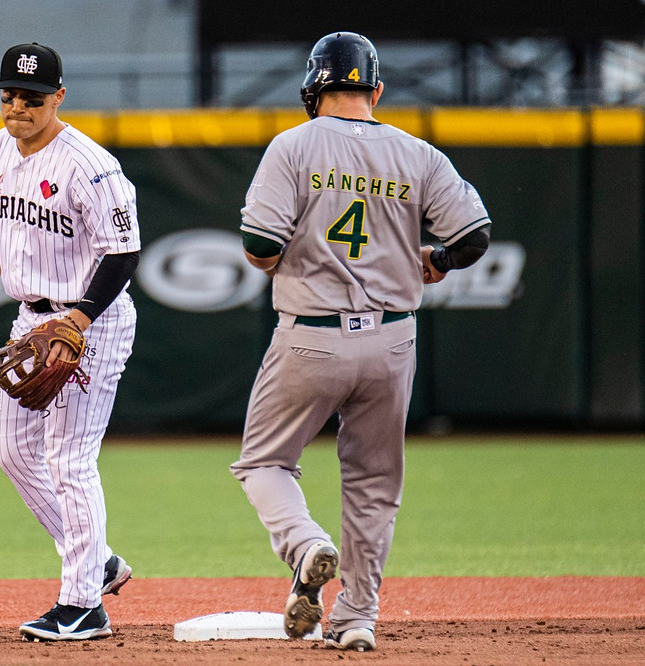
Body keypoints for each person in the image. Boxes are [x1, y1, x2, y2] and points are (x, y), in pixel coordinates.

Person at [231, 32, 491, 652]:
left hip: (313, 336)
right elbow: (474, 237)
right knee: (374, 485)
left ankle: (306, 545)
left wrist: (279, 256)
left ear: (313, 89)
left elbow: (261, 244)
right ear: (375, 91)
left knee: (264, 462)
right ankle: (356, 618)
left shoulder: (293, 146)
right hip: (392, 339)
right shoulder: (417, 153)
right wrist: (437, 258)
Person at [0, 42, 139, 642]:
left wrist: (77, 322)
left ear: (58, 97)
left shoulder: (90, 165)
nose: (17, 107)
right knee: (13, 452)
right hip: (29, 320)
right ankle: (97, 561)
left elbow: (123, 252)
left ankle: (84, 605)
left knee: (69, 458)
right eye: (9, 95)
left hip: (91, 321)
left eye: (31, 98)